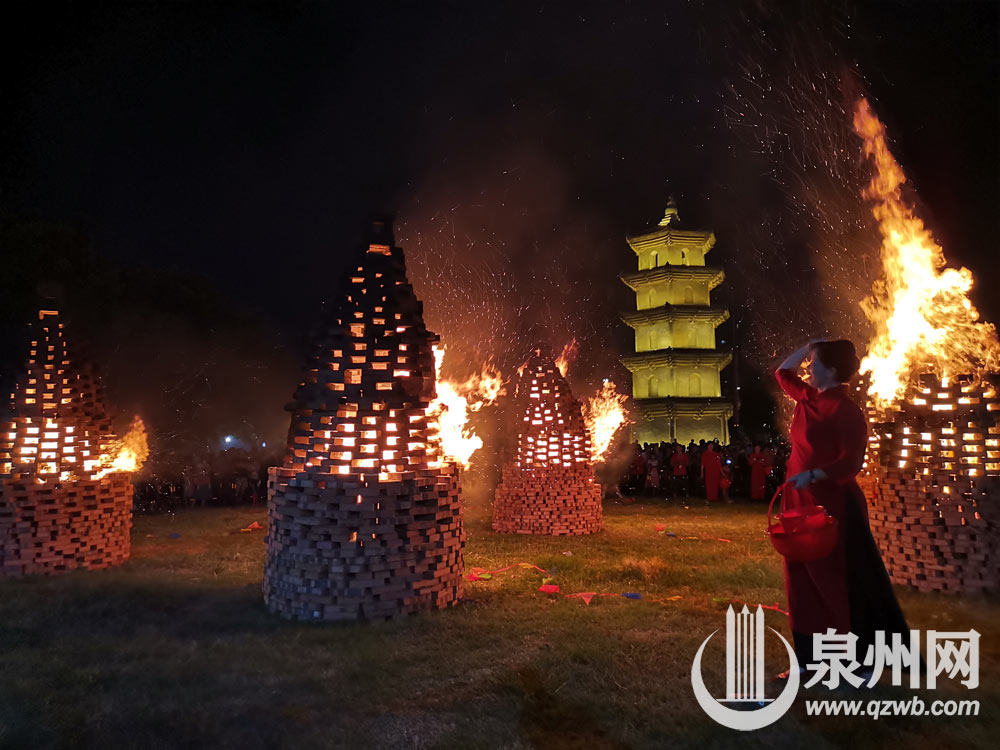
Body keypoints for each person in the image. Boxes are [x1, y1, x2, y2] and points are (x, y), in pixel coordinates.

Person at [774, 339, 909, 679]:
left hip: (831, 505)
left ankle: (856, 661)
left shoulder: (846, 411)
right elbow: (782, 372)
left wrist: (814, 475)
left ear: (831, 372)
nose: (809, 368)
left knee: (833, 581)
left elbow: (851, 461)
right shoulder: (807, 397)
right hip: (798, 500)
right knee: (799, 579)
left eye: (815, 364)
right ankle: (808, 660)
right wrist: (807, 347)